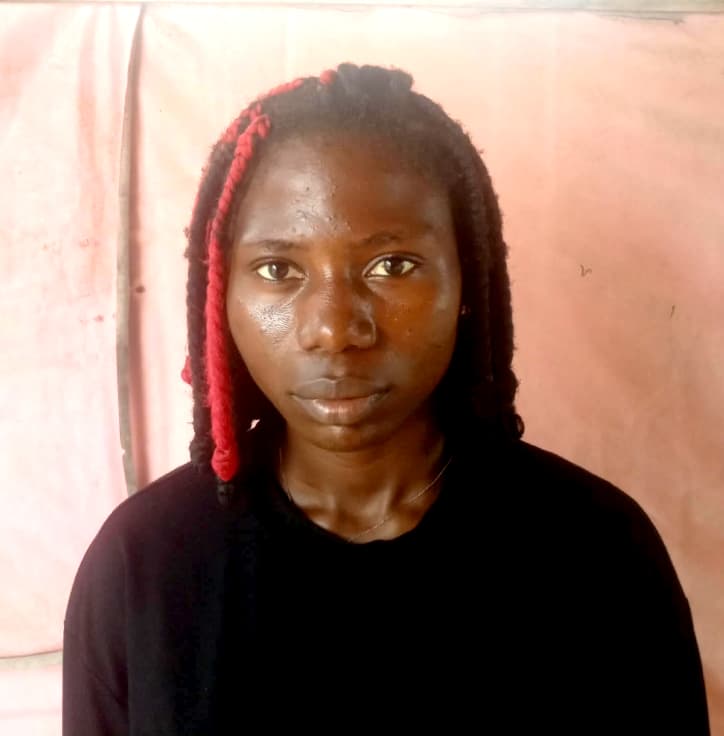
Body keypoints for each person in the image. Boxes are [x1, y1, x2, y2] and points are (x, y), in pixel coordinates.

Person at [63, 63, 709, 734]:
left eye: (391, 266)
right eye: (278, 269)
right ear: (220, 296)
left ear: (467, 284)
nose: (335, 329)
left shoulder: (599, 551)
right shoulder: (144, 565)